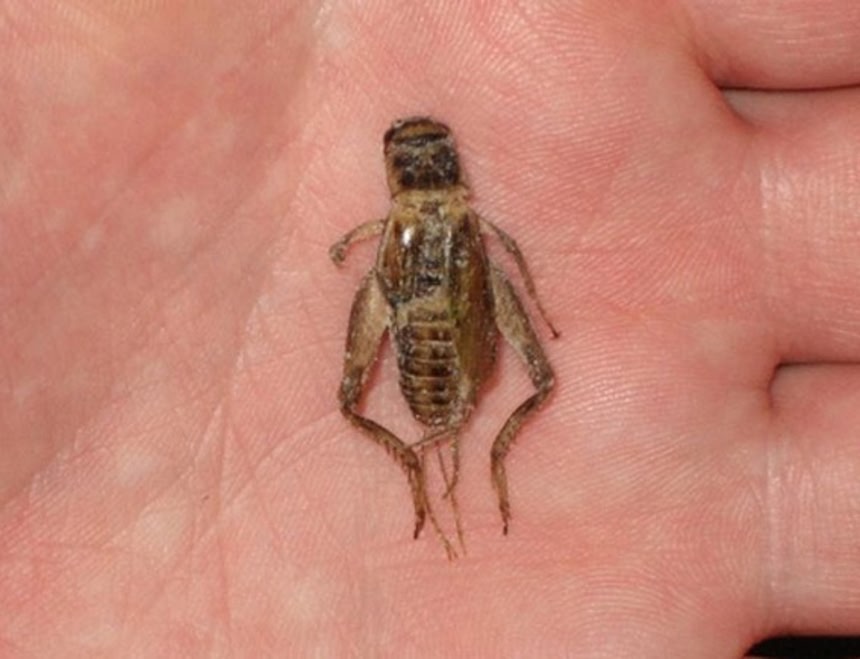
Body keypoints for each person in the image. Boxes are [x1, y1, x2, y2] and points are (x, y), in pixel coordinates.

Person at [1, 2, 858, 655]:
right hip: (446, 343)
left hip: (422, 347)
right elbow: (508, 258)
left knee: (365, 399)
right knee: (511, 381)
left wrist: (374, 251)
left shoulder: (391, 229)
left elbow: (495, 262)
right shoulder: (469, 225)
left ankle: (447, 457)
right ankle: (465, 456)